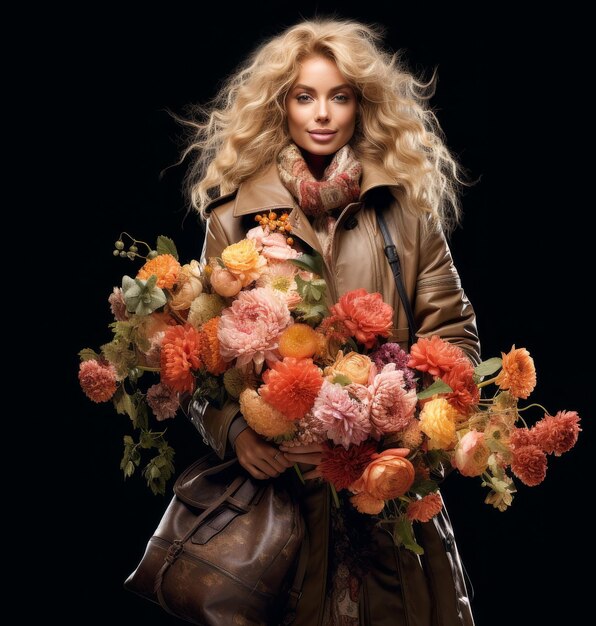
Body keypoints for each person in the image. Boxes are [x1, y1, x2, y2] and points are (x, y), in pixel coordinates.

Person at [182, 18, 479, 626]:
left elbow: (454, 340)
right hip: (281, 508)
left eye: (339, 96)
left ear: (360, 106)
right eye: (305, 96)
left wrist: (405, 431)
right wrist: (237, 429)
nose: (322, 113)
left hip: (386, 495)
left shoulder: (408, 215)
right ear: (281, 107)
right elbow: (199, 357)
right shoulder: (233, 219)